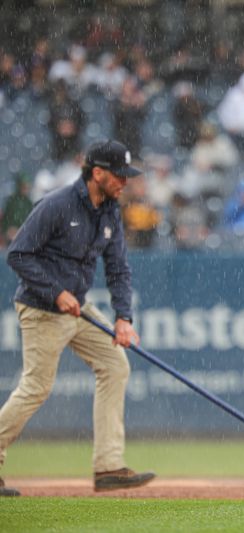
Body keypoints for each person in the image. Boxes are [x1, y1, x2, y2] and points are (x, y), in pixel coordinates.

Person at [0, 140, 156, 497]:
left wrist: (123, 318)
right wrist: (55, 291)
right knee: (36, 388)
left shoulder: (110, 211)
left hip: (78, 308)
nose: (124, 182)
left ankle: (108, 467)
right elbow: (18, 254)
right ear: (97, 173)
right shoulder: (57, 205)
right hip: (42, 309)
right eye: (119, 175)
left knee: (115, 365)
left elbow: (118, 268)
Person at [1, 173, 33, 246]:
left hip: (24, 238)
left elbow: (31, 222)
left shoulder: (29, 203)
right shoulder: (11, 201)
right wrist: (8, 230)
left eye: (27, 186)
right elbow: (5, 220)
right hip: (11, 239)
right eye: (24, 186)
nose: (26, 189)